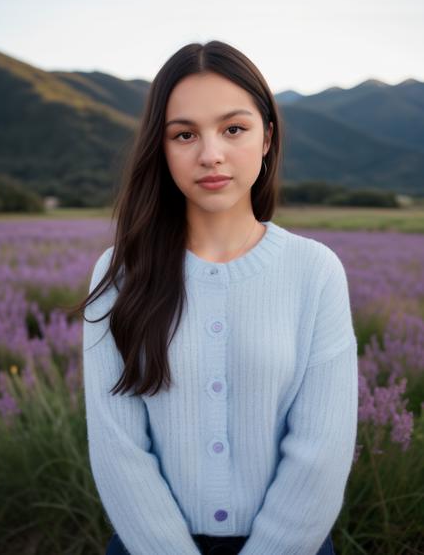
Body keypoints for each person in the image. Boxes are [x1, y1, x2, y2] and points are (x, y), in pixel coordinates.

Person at [79, 40, 358, 554]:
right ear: (160, 148)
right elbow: (119, 451)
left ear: (268, 136)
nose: (211, 154)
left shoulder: (314, 271)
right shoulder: (120, 273)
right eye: (184, 134)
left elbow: (321, 448)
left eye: (234, 129)